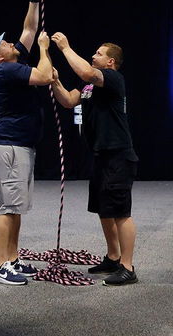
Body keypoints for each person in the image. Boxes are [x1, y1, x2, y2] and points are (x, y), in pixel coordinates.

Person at [0, 0, 54, 286]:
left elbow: (28, 31)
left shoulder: (10, 62)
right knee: (8, 208)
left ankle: (13, 258)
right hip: (8, 147)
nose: (11, 44)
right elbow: (45, 75)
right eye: (4, 44)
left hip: (19, 145)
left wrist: (33, 1)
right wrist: (45, 51)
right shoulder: (6, 70)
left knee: (17, 208)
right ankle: (0, 266)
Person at [49, 32, 139, 286]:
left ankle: (128, 267)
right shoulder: (90, 87)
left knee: (121, 212)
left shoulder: (112, 78)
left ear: (111, 62)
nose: (93, 56)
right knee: (103, 209)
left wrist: (66, 48)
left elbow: (88, 73)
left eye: (99, 54)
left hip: (118, 154)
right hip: (101, 154)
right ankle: (113, 257)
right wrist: (55, 82)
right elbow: (68, 100)